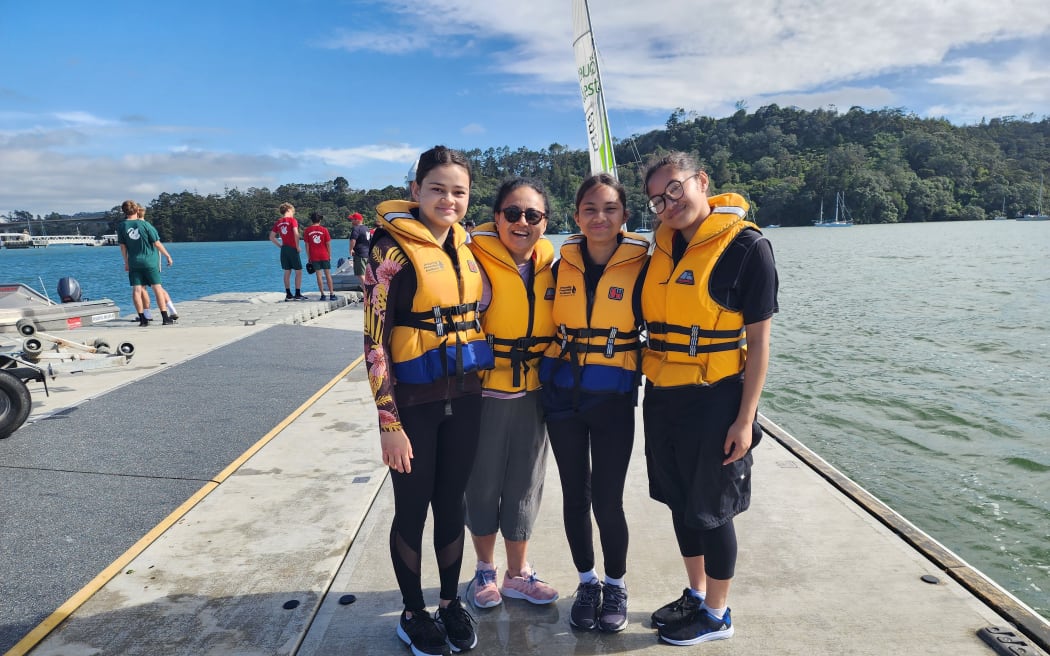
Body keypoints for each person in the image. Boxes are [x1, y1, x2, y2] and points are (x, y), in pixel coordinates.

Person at [640, 152, 778, 646]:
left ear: (701, 181)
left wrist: (746, 419)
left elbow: (759, 343)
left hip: (716, 398)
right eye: (657, 198)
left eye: (674, 189)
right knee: (680, 502)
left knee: (714, 510)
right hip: (662, 396)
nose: (667, 204)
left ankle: (718, 614)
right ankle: (696, 594)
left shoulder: (747, 247)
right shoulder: (657, 249)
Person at [362, 145, 493, 656]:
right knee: (412, 507)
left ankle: (448, 603)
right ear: (416, 191)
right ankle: (412, 612)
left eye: (458, 191)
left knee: (451, 503)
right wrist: (387, 423)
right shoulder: (389, 250)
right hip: (413, 403)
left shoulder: (467, 246)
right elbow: (375, 342)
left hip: (465, 395)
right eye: (437, 188)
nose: (448, 199)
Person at [539, 173, 649, 633]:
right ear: (576, 215)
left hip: (614, 396)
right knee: (574, 494)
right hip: (562, 394)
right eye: (589, 209)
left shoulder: (645, 263)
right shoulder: (558, 263)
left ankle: (615, 583)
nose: (599, 217)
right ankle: (587, 581)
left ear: (625, 215)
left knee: (608, 499)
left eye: (609, 208)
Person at [462, 178, 559, 611]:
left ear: (544, 222)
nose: (522, 222)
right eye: (512, 214)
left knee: (525, 485)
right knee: (481, 486)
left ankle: (517, 574)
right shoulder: (469, 261)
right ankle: (484, 569)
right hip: (483, 393)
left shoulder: (554, 267)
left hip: (534, 393)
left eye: (532, 215)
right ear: (496, 217)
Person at [117, 200, 174, 326]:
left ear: (124, 212)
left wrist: (126, 262)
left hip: (134, 262)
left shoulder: (121, 226)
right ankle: (165, 317)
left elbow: (123, 247)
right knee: (157, 288)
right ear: (137, 210)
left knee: (137, 289)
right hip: (149, 261)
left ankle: (142, 319)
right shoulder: (145, 225)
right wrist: (167, 256)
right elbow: (157, 243)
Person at [132, 204, 178, 322]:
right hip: (150, 260)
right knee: (153, 287)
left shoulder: (143, 227)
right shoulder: (144, 227)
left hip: (149, 261)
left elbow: (157, 243)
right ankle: (167, 310)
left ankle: (153, 312)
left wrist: (167, 255)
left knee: (150, 287)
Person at [269, 202, 305, 301]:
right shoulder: (292, 221)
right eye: (293, 211)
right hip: (292, 248)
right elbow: (296, 234)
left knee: (287, 271)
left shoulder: (278, 222)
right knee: (298, 271)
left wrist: (280, 246)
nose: (293, 213)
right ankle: (297, 293)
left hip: (284, 248)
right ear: (289, 210)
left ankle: (288, 294)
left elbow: (271, 237)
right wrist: (297, 246)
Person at [303, 211, 335, 300]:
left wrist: (308, 257)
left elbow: (307, 245)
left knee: (318, 275)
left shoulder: (307, 230)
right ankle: (332, 294)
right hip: (324, 255)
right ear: (319, 220)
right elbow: (328, 244)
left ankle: (322, 294)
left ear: (311, 220)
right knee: (328, 275)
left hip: (314, 256)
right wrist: (329, 255)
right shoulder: (324, 230)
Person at [347, 212, 370, 276]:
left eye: (353, 219)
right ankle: (366, 286)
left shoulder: (356, 228)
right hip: (367, 254)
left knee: (360, 274)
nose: (351, 221)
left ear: (357, 220)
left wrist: (351, 249)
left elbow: (353, 240)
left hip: (360, 254)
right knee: (366, 274)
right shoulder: (366, 228)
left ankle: (364, 286)